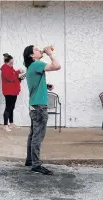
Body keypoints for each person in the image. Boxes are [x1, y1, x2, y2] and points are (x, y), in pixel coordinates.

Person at [23, 45, 60, 175]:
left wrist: (45, 86)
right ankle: (36, 165)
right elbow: (57, 66)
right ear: (32, 56)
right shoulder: (37, 64)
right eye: (37, 50)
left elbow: (35, 83)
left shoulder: (31, 67)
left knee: (33, 134)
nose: (40, 51)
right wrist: (50, 54)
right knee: (38, 136)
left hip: (34, 105)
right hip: (39, 106)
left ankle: (30, 160)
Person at [0, 53, 23, 131]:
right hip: (8, 91)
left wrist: (20, 78)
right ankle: (5, 125)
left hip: (13, 91)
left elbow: (14, 78)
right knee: (8, 108)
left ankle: (11, 123)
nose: (12, 64)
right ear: (6, 62)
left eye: (12, 63)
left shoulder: (11, 68)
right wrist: (17, 72)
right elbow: (10, 78)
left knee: (12, 107)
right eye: (10, 63)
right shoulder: (5, 68)